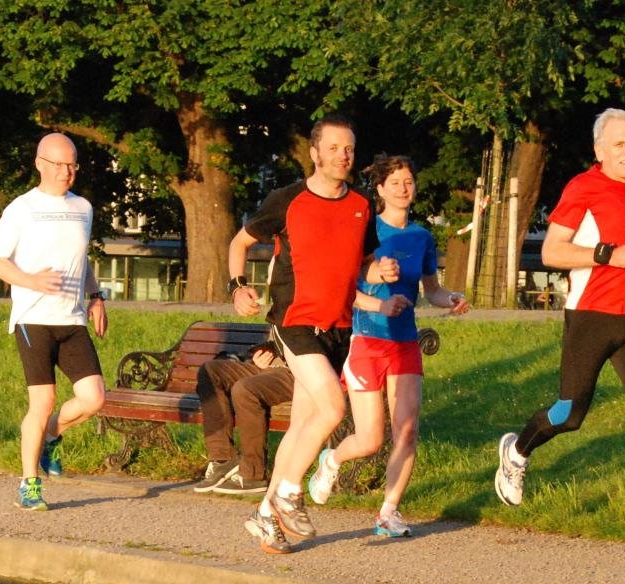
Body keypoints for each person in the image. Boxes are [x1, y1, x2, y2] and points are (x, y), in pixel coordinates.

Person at [493, 108, 625, 549]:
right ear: (599, 150)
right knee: (571, 413)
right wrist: (606, 254)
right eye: (620, 144)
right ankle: (517, 451)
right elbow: (551, 252)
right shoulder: (583, 188)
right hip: (589, 316)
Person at [228, 116, 399, 554]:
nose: (343, 156)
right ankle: (288, 492)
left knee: (306, 423)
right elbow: (238, 243)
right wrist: (237, 286)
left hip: (339, 330)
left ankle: (265, 516)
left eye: (349, 149)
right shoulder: (288, 200)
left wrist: (378, 270)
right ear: (315, 153)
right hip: (295, 322)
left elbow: (360, 264)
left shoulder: (361, 205)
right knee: (332, 407)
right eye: (335, 148)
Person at [307, 154, 470, 537]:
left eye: (409, 181)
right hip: (367, 340)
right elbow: (343, 291)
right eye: (395, 182)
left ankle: (388, 513)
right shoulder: (367, 232)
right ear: (380, 189)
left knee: (408, 430)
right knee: (370, 439)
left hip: (405, 344)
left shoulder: (421, 237)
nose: (403, 188)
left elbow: (431, 290)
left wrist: (452, 299)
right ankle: (331, 459)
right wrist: (380, 301)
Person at [0, 132, 108, 512]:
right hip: (33, 318)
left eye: (72, 164)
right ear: (40, 164)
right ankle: (29, 483)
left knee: (95, 399)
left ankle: (52, 436)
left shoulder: (83, 208)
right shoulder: (21, 209)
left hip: (71, 320)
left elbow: (82, 259)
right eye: (58, 164)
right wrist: (31, 281)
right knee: (43, 400)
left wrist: (95, 295)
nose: (66, 171)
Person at [193, 340, 295, 496]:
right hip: (267, 368)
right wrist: (261, 356)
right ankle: (223, 459)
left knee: (244, 389)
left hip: (297, 373)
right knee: (210, 371)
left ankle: (252, 475)